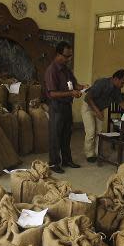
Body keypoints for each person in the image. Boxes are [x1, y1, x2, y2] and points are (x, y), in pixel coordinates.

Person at [44, 41, 85, 173]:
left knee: (67, 135)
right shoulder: (52, 70)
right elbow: (52, 93)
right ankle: (53, 163)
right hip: (56, 107)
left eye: (70, 56)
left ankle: (67, 160)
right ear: (58, 54)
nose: (69, 59)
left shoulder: (67, 69)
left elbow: (74, 84)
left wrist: (83, 87)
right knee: (55, 136)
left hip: (67, 106)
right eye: (66, 56)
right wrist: (71, 93)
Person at [82, 69, 124, 162]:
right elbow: (88, 97)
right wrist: (97, 111)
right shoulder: (102, 83)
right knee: (91, 131)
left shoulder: (117, 89)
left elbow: (121, 104)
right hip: (89, 107)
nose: (123, 85)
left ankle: (97, 153)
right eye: (122, 82)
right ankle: (90, 154)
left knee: (99, 132)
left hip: (99, 109)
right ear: (116, 79)